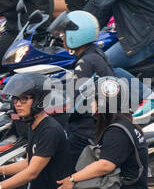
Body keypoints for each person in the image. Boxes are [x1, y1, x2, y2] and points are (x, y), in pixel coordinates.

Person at [46, 12, 110, 159]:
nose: (62, 38)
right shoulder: (95, 53)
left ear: (77, 35)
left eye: (64, 34)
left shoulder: (85, 63)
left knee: (57, 160)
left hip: (85, 131)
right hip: (96, 124)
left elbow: (75, 101)